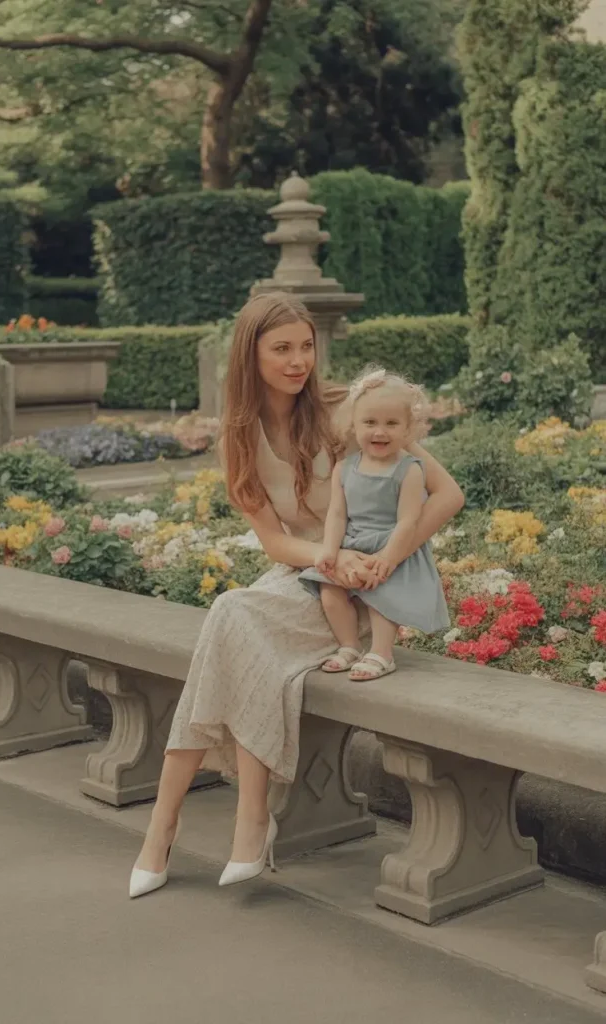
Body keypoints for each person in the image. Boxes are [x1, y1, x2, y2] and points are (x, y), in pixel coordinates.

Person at [129, 292, 464, 899]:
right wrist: (330, 558)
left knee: (233, 619)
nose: (298, 361)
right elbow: (275, 542)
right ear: (250, 355)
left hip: (371, 589)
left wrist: (384, 559)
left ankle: (191, 825)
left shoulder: (348, 410)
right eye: (281, 349)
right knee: (234, 617)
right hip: (312, 572)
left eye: (306, 346)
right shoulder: (238, 437)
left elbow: (447, 494)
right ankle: (202, 822)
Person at [298, 367, 450, 682]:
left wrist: (388, 558)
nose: (380, 432)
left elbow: (408, 520)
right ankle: (349, 645)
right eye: (370, 423)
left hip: (390, 544)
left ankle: (382, 653)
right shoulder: (344, 468)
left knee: (382, 593)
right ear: (353, 425)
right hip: (353, 543)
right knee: (329, 589)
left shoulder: (409, 469)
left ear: (408, 429)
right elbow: (337, 514)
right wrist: (330, 550)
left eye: (391, 423)